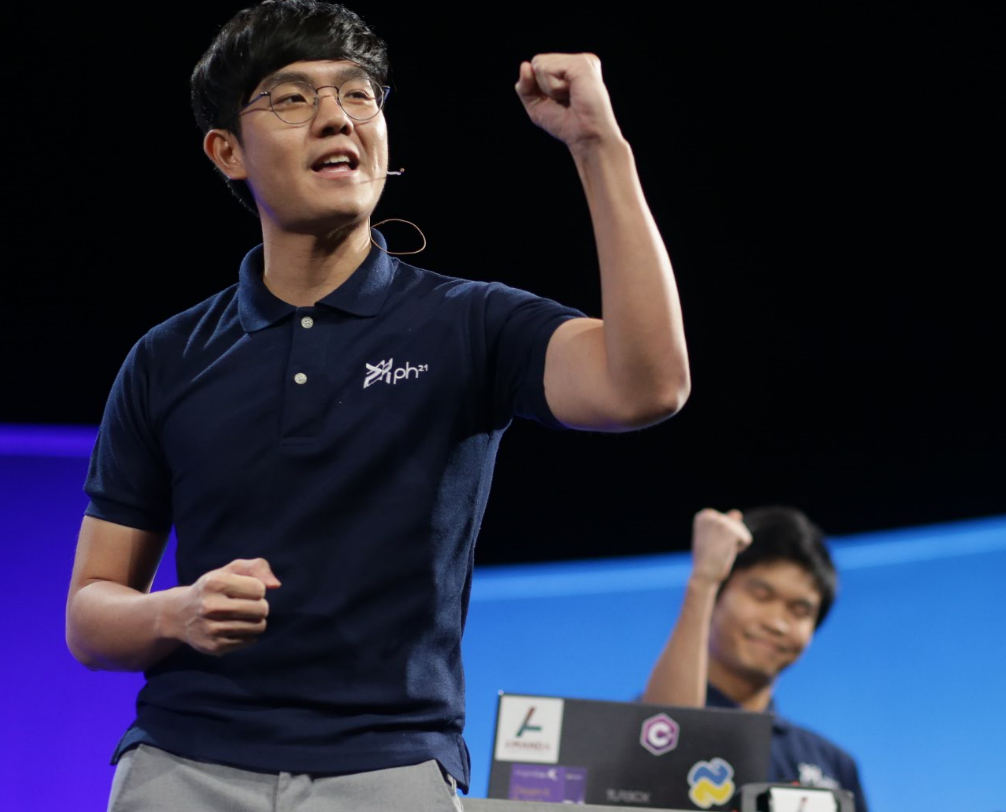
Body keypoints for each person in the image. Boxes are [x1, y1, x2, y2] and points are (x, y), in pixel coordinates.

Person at [64, 2, 689, 809]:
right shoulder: (167, 358)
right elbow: (91, 615)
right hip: (183, 763)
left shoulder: (471, 323)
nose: (337, 118)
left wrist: (598, 145)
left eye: (359, 96)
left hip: (389, 770)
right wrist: (176, 614)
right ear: (227, 152)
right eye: (292, 99)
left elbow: (646, 386)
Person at [644, 506, 868, 811]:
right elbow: (664, 745)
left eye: (800, 611)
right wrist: (703, 581)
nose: (777, 623)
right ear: (718, 596)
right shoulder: (644, 727)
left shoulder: (832, 765)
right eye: (761, 596)